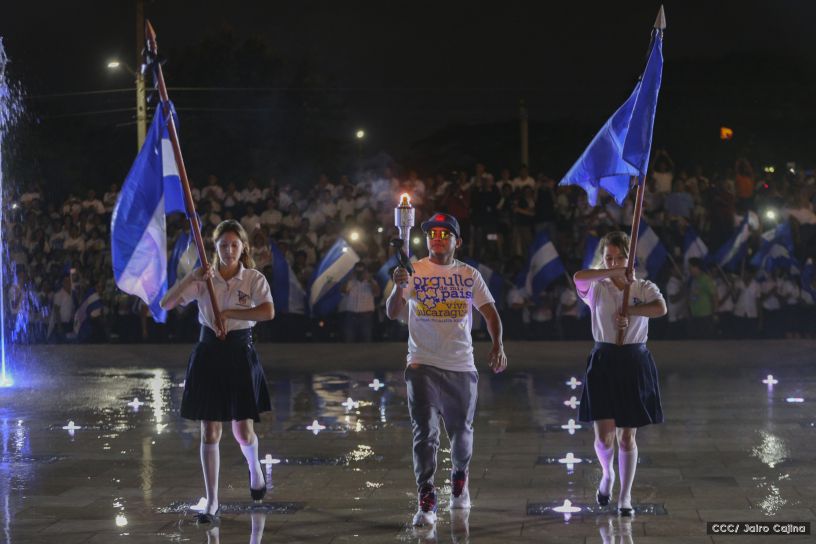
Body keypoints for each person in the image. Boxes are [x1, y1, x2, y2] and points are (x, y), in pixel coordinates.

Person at [386, 212, 507, 527]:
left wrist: (497, 345)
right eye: (432, 233)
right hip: (421, 363)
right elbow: (392, 312)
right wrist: (399, 287)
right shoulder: (413, 271)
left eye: (445, 233)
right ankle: (426, 498)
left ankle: (459, 479)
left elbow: (490, 312)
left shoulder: (468, 274)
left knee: (461, 434)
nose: (437, 237)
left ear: (457, 241)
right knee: (424, 433)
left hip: (460, 365)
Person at [160, 220, 275, 524]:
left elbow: (267, 311)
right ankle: (212, 501)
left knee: (242, 430)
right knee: (210, 430)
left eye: (234, 244)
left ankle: (255, 470)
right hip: (208, 353)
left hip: (239, 352)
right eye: (223, 245)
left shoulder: (252, 278)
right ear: (214, 247)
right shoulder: (204, 279)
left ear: (243, 247)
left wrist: (229, 312)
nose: (228, 250)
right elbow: (166, 303)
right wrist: (191, 278)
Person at [573, 231, 667, 517]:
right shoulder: (597, 288)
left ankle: (624, 497)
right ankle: (607, 475)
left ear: (631, 257)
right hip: (603, 359)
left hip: (633, 360)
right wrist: (614, 271)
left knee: (627, 437)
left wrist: (633, 311)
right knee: (604, 438)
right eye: (608, 257)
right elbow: (578, 277)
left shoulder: (643, 287)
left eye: (619, 257)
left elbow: (661, 308)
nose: (613, 261)